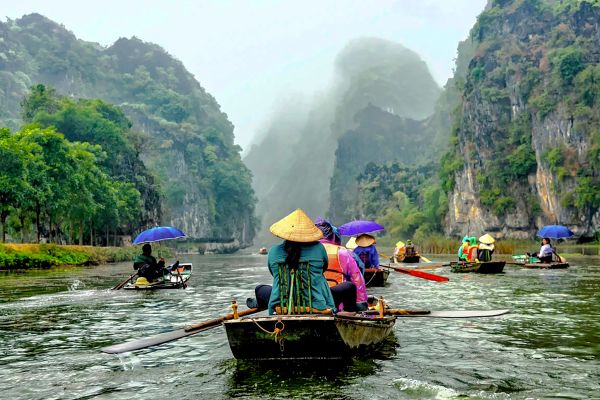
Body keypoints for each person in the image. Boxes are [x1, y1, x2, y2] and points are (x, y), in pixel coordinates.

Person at [252, 209, 335, 315]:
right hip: (317, 303)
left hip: (282, 304)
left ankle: (259, 304)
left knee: (260, 289)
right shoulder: (319, 248)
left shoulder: (273, 252)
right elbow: (324, 268)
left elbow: (274, 275)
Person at [315, 218, 367, 311]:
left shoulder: (307, 252)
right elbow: (357, 279)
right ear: (334, 237)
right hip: (338, 303)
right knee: (349, 286)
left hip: (313, 301)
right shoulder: (343, 252)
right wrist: (361, 303)